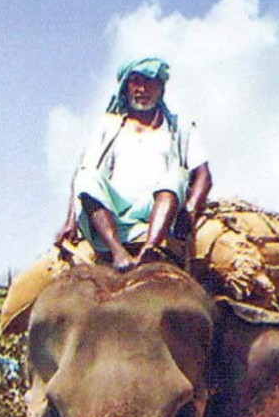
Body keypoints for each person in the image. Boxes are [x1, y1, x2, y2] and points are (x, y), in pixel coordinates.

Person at [56, 56, 211, 269]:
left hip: (159, 212)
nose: (142, 89)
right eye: (135, 82)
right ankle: (117, 251)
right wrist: (71, 221)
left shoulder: (180, 127)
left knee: (176, 174)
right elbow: (83, 173)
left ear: (161, 87)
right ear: (125, 88)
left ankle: (151, 247)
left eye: (149, 82)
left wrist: (191, 209)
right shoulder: (108, 126)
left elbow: (203, 174)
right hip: (113, 212)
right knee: (86, 176)